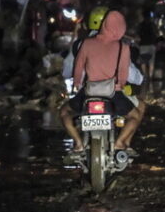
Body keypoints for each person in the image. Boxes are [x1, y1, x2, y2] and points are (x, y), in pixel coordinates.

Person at [60, 10, 146, 154]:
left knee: (64, 113)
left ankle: (79, 143)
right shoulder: (123, 47)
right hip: (113, 92)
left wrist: (76, 85)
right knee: (135, 116)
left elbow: (78, 66)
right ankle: (121, 142)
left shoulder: (86, 43)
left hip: (89, 91)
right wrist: (120, 86)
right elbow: (124, 72)